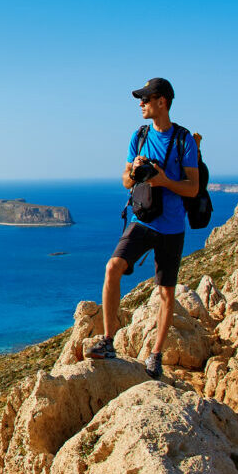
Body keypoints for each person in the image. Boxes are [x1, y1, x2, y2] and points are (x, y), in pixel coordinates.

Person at [86, 77, 201, 378]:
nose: (141, 104)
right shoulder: (138, 136)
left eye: (146, 99)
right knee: (113, 267)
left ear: (162, 101)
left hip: (172, 227)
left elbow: (192, 188)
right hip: (141, 219)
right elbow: (125, 180)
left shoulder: (183, 140)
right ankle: (109, 340)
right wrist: (136, 172)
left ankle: (156, 355)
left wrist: (163, 181)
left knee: (165, 292)